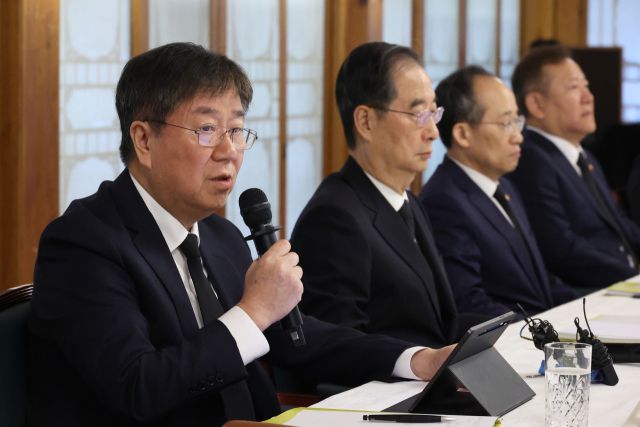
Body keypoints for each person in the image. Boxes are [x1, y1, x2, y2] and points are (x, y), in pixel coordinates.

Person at [27, 42, 454, 427]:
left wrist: (415, 359)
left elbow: (293, 336)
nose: (229, 151)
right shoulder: (83, 243)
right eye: (207, 130)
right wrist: (253, 311)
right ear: (144, 140)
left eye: (236, 130)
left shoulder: (221, 235)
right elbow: (138, 386)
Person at [290, 42, 487, 349]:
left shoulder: (407, 201)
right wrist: (417, 362)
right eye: (418, 114)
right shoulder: (334, 218)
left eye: (433, 112)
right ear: (366, 122)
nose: (433, 132)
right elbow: (336, 349)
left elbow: (440, 325)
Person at [419, 66, 576, 317]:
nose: (518, 137)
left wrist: (585, 308)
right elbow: (468, 303)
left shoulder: (505, 186)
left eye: (517, 122)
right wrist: (544, 330)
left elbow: (539, 282)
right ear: (463, 134)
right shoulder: (444, 201)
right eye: (506, 123)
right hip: (514, 338)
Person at [508, 45, 640, 290]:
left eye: (586, 86)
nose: (588, 97)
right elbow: (561, 248)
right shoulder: (531, 160)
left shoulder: (585, 157)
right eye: (573, 88)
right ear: (537, 104)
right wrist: (631, 277)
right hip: (590, 294)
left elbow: (621, 224)